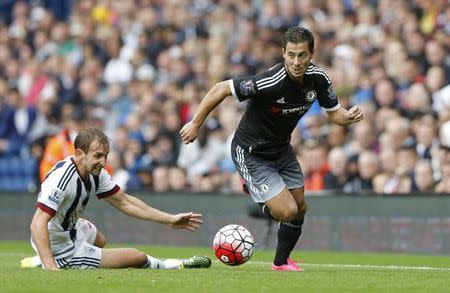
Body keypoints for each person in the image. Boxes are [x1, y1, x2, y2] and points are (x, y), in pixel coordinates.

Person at [180, 26, 363, 271]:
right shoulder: (271, 80)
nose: (296, 61)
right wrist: (195, 123)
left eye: (302, 55)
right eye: (291, 55)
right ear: (283, 53)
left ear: (312, 54)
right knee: (287, 211)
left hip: (281, 149)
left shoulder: (319, 79)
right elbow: (221, 88)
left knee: (300, 208)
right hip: (251, 152)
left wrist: (348, 117)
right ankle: (253, 187)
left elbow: (335, 114)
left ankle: (280, 262)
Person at [21, 128, 211, 270]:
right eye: (98, 156)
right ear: (79, 153)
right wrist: (51, 267)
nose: (103, 162)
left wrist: (170, 219)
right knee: (136, 257)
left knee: (101, 241)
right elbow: (37, 224)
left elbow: (125, 202)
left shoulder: (95, 171)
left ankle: (39, 261)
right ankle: (176, 265)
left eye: (106, 156)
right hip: (59, 246)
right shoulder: (62, 180)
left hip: (71, 228)